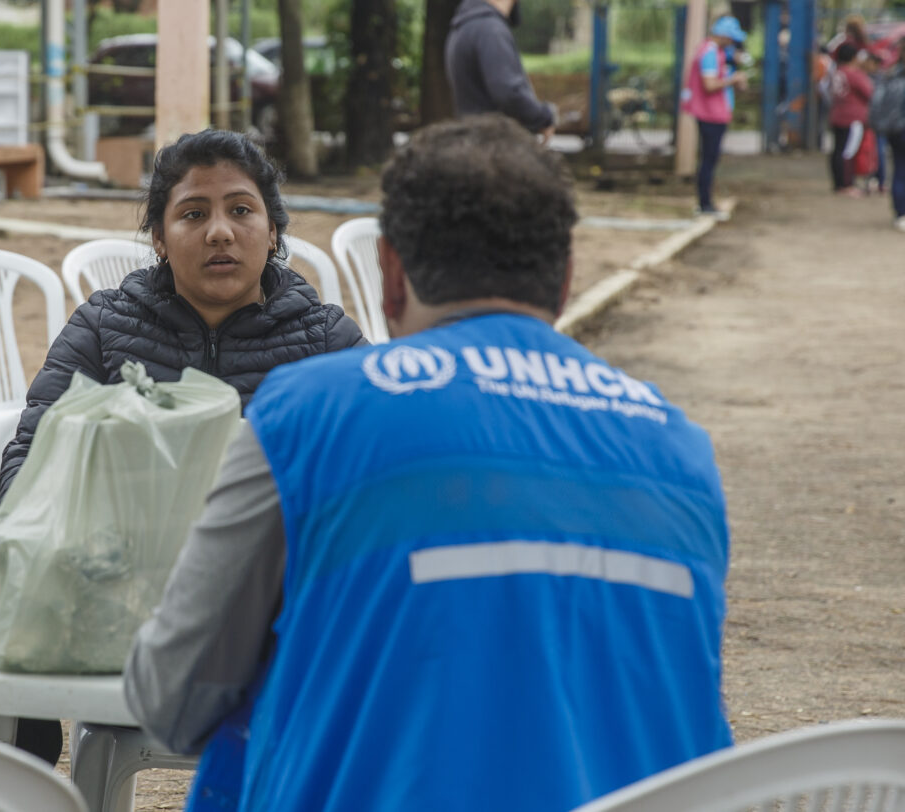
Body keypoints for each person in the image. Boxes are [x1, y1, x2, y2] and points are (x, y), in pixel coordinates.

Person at [123, 115, 733, 811]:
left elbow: (170, 697)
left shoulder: (311, 414)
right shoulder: (681, 449)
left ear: (389, 273)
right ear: (564, 279)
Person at [0, 128, 365, 502]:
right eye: (194, 214)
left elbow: (383, 463)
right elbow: (29, 462)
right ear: (160, 239)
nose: (219, 233)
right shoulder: (101, 329)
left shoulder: (328, 343)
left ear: (271, 232)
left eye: (240, 210)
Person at [445, 0, 556, 138]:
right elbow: (508, 91)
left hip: (473, 142)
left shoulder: (463, 26)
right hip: (495, 148)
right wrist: (543, 118)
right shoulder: (490, 29)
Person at [681, 15, 750, 218]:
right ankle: (705, 204)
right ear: (722, 35)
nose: (732, 42)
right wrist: (733, 79)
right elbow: (709, 84)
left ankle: (707, 202)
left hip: (715, 113)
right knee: (708, 160)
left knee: (710, 159)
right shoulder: (709, 53)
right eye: (730, 37)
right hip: (710, 114)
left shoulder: (717, 52)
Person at [828, 42, 875, 197]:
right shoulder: (854, 74)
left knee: (838, 150)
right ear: (854, 57)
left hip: (837, 116)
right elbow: (870, 92)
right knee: (848, 152)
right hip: (852, 119)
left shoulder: (836, 72)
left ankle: (838, 183)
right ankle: (846, 185)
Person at [869, 36, 905, 229]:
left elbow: (876, 102)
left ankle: (901, 213)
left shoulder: (890, 74)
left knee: (899, 169)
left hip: (894, 130)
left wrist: (879, 126)